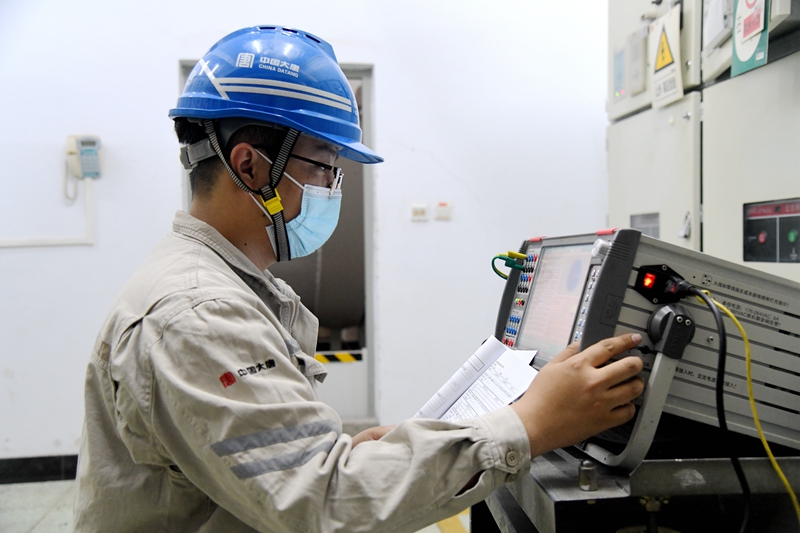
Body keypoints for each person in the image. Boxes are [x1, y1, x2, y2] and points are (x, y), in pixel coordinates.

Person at [73, 25, 644, 533]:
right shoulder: (199, 314)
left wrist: (341, 452)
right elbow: (323, 504)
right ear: (249, 165)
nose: (333, 187)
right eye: (325, 165)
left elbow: (281, 477)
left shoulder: (223, 287)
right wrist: (530, 423)